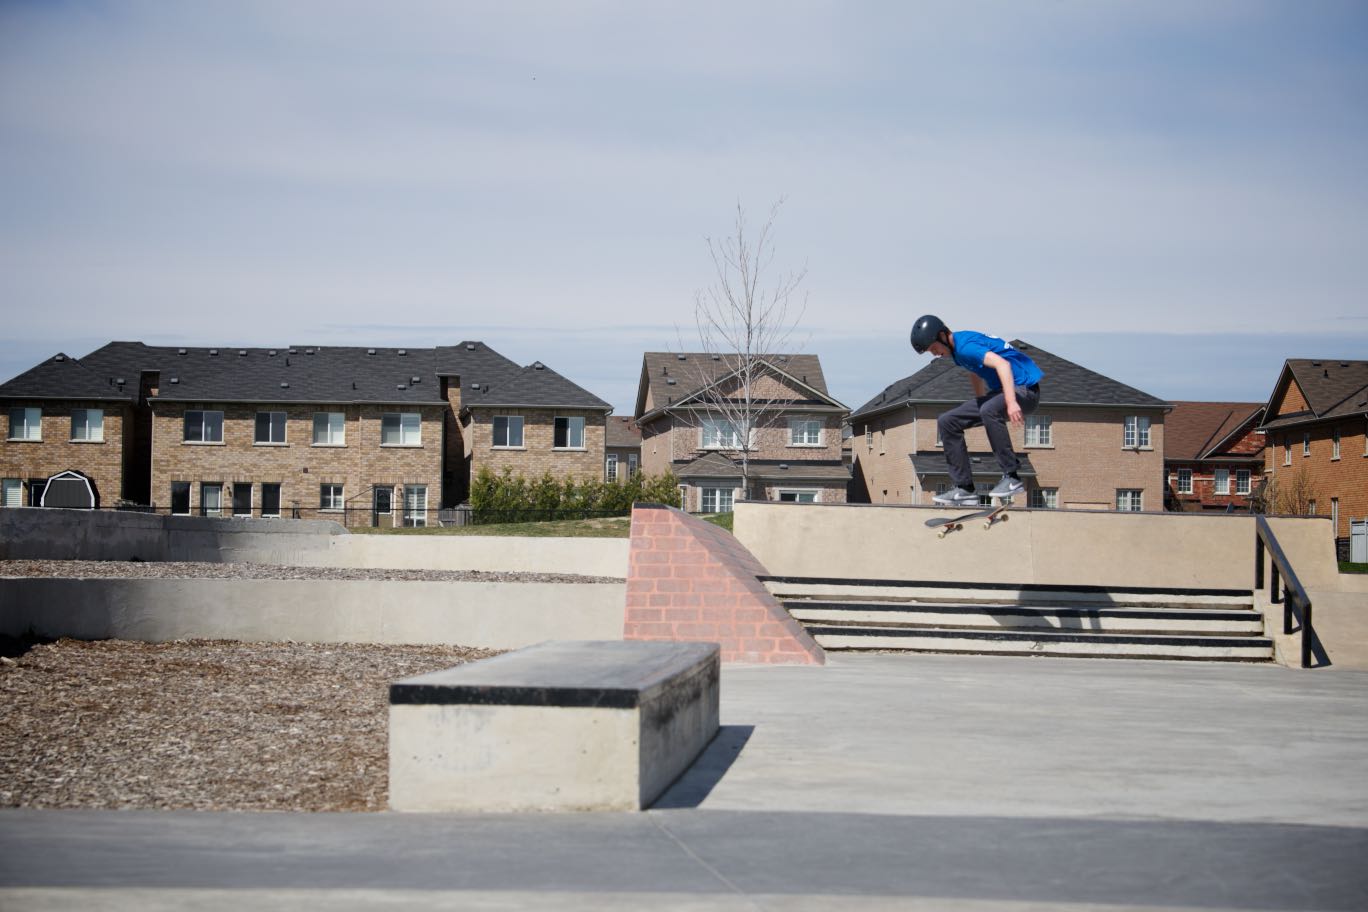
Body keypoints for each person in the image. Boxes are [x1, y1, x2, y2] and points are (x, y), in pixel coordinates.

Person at [909, 314, 1043, 507]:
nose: (935, 353)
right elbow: (975, 372)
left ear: (942, 335)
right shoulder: (958, 352)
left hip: (1025, 390)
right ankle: (965, 489)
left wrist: (1011, 402)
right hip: (1003, 392)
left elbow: (1002, 365)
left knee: (989, 409)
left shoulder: (965, 347)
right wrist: (980, 402)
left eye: (933, 348)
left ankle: (1012, 477)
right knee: (948, 421)